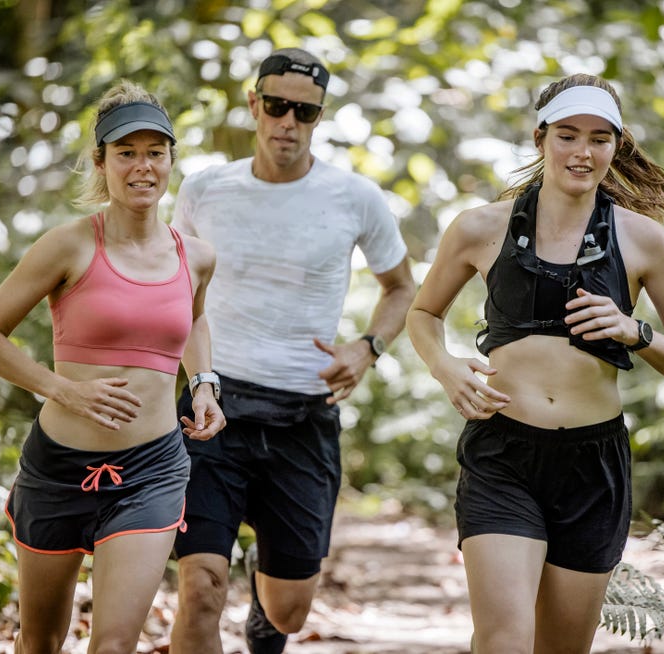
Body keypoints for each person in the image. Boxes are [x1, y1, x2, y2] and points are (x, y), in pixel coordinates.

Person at [406, 73, 664, 654]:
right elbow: (423, 313)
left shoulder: (643, 240)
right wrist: (445, 366)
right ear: (541, 136)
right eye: (568, 135)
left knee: (561, 647)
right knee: (504, 639)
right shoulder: (480, 227)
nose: (582, 151)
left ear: (616, 146)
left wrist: (635, 331)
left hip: (592, 464)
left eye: (599, 138)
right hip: (503, 454)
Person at [168, 48, 415, 654]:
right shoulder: (204, 189)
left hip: (304, 415)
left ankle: (265, 599)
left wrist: (368, 347)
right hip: (211, 407)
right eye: (276, 106)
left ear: (318, 118)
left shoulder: (354, 197)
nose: (288, 122)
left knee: (288, 612)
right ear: (254, 104)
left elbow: (403, 287)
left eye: (304, 112)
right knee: (199, 588)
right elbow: (170, 288)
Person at [0, 80, 226, 654]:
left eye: (154, 152)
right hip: (58, 469)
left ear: (170, 161)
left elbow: (195, 321)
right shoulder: (68, 246)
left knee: (112, 645)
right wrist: (63, 390)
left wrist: (204, 383)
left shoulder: (197, 255)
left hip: (151, 470)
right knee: (40, 640)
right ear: (101, 161)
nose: (142, 167)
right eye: (126, 153)